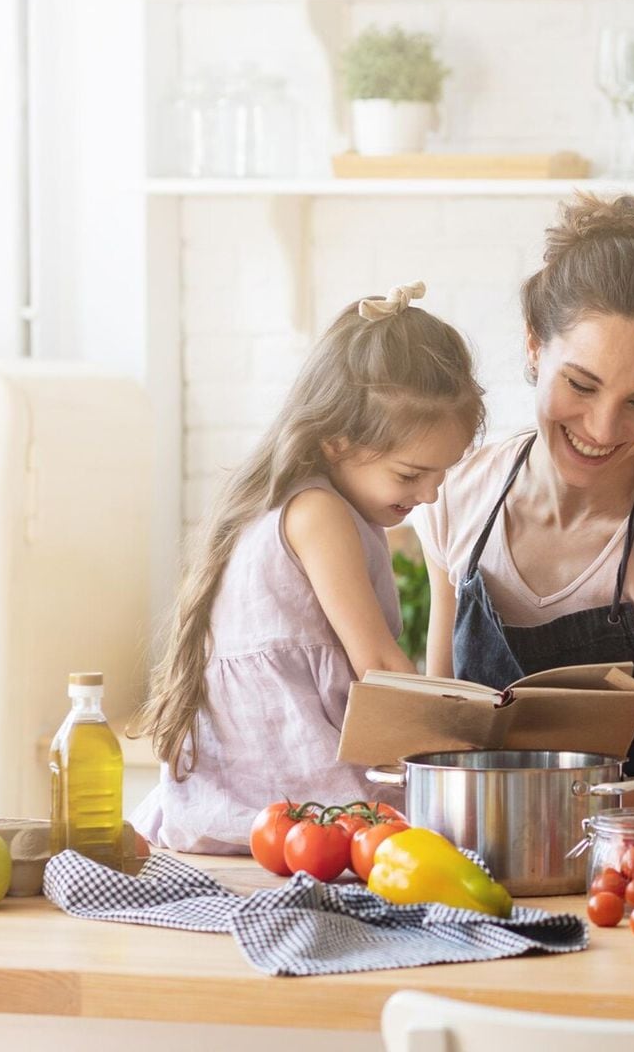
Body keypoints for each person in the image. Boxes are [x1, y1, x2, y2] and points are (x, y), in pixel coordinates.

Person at [415, 193, 634, 811]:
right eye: (582, 384)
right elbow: (441, 736)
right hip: (465, 866)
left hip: (622, 878)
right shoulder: (454, 496)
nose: (602, 427)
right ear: (535, 346)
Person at [131, 284, 486, 853]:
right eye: (410, 474)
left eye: (441, 474)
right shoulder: (319, 513)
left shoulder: (305, 501)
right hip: (291, 789)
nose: (429, 493)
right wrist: (451, 746)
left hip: (248, 796)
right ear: (336, 442)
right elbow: (376, 663)